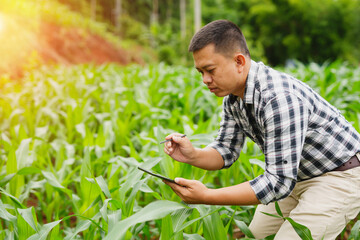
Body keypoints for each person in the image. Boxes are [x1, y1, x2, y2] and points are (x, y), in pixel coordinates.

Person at [162, 19, 360, 239]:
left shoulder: (279, 98)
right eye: (200, 72)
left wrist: (207, 195)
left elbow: (277, 183)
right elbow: (226, 150)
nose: (205, 80)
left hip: (339, 175)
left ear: (239, 61)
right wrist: (193, 155)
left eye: (210, 70)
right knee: (255, 234)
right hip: (296, 176)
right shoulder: (233, 99)